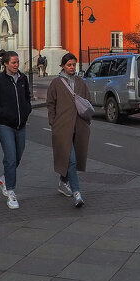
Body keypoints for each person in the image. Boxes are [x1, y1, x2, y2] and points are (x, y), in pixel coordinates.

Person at [0, 50, 32, 210]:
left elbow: (27, 98)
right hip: (5, 125)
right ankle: (10, 192)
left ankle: (4, 178)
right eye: (13, 63)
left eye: (17, 62)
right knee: (11, 158)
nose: (16, 65)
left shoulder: (23, 79)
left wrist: (27, 110)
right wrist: (3, 113)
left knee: (17, 157)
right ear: (5, 64)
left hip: (21, 125)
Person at [47, 52, 90, 208]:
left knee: (73, 158)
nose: (72, 67)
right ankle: (77, 193)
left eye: (74, 65)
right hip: (62, 128)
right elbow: (50, 104)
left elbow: (87, 101)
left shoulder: (80, 82)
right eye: (69, 65)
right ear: (63, 66)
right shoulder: (56, 83)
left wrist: (87, 121)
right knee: (70, 160)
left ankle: (63, 181)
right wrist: (53, 122)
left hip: (79, 127)